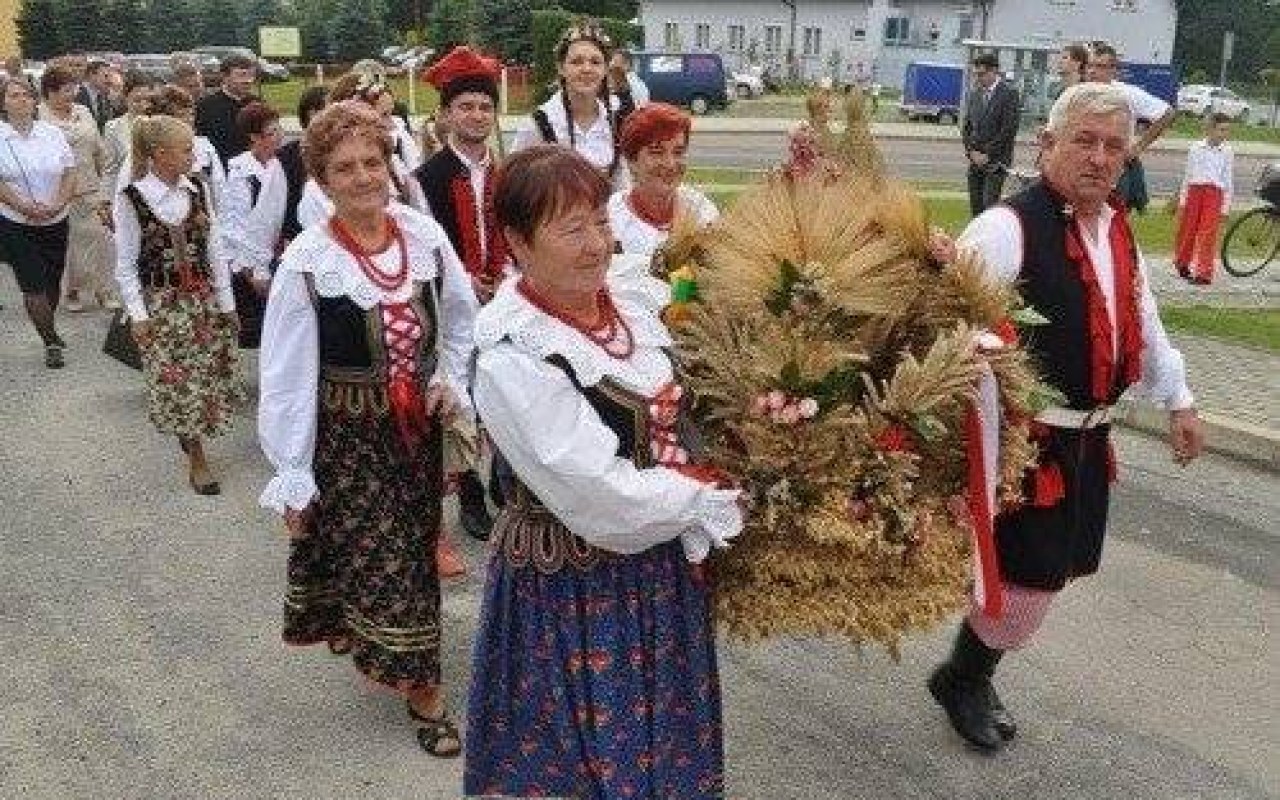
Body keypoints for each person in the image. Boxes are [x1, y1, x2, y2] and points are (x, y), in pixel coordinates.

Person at [929, 82, 1204, 752]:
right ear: (1047, 144)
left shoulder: (1115, 228)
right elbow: (941, 322)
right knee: (1026, 577)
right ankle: (962, 678)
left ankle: (970, 671)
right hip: (1023, 443)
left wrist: (1179, 398)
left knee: (1050, 570)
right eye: (1084, 141)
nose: (1100, 158)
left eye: (1114, 146)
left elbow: (1143, 320)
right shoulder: (1006, 228)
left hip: (1087, 437)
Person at [463, 145, 742, 798]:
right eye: (571, 229)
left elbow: (722, 314)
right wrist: (708, 498)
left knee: (666, 748)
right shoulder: (515, 357)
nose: (595, 244)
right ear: (517, 243)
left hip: (660, 574)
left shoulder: (634, 298)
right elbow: (601, 497)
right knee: (582, 758)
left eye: (599, 220)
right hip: (574, 589)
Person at [257, 101, 478, 757]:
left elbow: (461, 316)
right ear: (322, 180)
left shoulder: (423, 237)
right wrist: (293, 469)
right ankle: (425, 688)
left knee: (412, 546)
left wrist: (451, 377)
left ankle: (375, 631)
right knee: (391, 559)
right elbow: (286, 374)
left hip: (417, 433)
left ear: (389, 164)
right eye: (344, 168)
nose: (362, 177)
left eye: (372, 162)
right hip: (347, 438)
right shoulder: (309, 260)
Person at [113, 115, 242, 494]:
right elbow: (125, 264)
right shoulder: (132, 199)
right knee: (179, 381)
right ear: (159, 154)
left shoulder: (197, 189)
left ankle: (193, 433)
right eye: (186, 150)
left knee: (203, 377)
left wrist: (227, 303)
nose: (194, 157)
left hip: (202, 303)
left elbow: (214, 248)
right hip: (163, 307)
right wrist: (138, 315)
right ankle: (197, 456)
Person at [415, 45, 508, 546]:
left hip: (504, 296)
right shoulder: (425, 178)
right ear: (447, 114)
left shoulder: (506, 172)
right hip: (454, 302)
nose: (476, 115)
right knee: (462, 393)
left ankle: (503, 481)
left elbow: (515, 231)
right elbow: (426, 245)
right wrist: (463, 280)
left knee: (505, 392)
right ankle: (470, 489)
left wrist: (505, 275)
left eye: (485, 107)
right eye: (466, 106)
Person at [0, 77, 76, 368]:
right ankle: (51, 341)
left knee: (51, 281)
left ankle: (48, 325)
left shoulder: (52, 133)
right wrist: (22, 206)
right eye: (14, 95)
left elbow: (69, 172)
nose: (22, 99)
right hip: (16, 222)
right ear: (3, 103)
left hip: (56, 218)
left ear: (35, 101)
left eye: (26, 95)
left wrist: (59, 203)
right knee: (33, 284)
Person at [512, 19, 635, 186]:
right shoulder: (538, 125)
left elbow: (623, 185)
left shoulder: (616, 122)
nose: (586, 69)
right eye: (577, 61)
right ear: (561, 68)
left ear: (605, 69)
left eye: (595, 62)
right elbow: (514, 185)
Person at [38, 63, 116, 312]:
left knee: (100, 239)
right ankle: (72, 291)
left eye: (74, 89)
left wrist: (106, 182)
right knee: (71, 245)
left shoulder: (83, 111)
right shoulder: (39, 116)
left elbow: (98, 148)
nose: (72, 95)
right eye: (66, 90)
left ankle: (103, 290)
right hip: (58, 191)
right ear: (50, 92)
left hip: (90, 186)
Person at [608, 101, 718, 257]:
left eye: (678, 152)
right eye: (656, 152)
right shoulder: (612, 221)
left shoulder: (702, 213)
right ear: (631, 161)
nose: (670, 164)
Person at [222, 101, 286, 347]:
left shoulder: (282, 164)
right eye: (271, 132)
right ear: (254, 138)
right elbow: (236, 224)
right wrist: (252, 270)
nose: (279, 136)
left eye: (279, 129)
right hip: (254, 258)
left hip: (281, 251)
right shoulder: (241, 172)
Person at [1086, 42, 1176, 212]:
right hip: (1086, 168)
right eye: (1090, 65)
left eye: (1100, 66)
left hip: (1115, 173)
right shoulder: (1080, 92)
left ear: (1113, 70)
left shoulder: (1126, 94)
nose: (1092, 71)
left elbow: (1168, 113)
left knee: (1114, 221)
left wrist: (1139, 146)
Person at [137, 85, 227, 210]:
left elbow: (219, 187)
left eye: (191, 114)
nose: (189, 120)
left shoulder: (205, 147)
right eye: (181, 116)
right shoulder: (144, 151)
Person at [1174, 113, 1234, 285]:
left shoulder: (1227, 151)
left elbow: (1228, 179)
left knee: (1208, 233)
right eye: (1221, 130)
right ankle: (1182, 262)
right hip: (1195, 191)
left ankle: (1204, 273)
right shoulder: (1196, 148)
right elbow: (1188, 175)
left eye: (1227, 130)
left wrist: (1225, 206)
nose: (1225, 134)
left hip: (1214, 193)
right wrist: (1183, 200)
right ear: (1210, 129)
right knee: (1187, 229)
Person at [961, 52, 1020, 216]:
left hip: (996, 162)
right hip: (975, 162)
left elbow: (1009, 129)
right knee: (976, 208)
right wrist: (971, 152)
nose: (978, 78)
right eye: (975, 74)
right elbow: (967, 128)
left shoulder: (1009, 94)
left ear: (994, 71)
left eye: (981, 74)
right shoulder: (975, 94)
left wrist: (987, 154)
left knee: (989, 207)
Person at [276, 85, 328, 244]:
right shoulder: (284, 156)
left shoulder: (338, 152)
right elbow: (282, 202)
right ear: (312, 113)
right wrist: (288, 236)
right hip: (297, 238)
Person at [194, 54, 258, 166]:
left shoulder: (258, 104)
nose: (248, 81)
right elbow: (201, 143)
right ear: (224, 77)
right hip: (220, 168)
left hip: (252, 168)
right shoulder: (206, 106)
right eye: (241, 75)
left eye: (251, 75)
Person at [102, 72, 155, 204]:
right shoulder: (113, 128)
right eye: (137, 100)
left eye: (147, 100)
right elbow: (110, 170)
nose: (143, 105)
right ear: (126, 98)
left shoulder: (162, 124)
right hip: (127, 197)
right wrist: (107, 201)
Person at [76, 58, 115, 132]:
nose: (109, 80)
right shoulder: (77, 95)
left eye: (110, 77)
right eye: (106, 76)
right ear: (92, 75)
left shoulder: (105, 97)